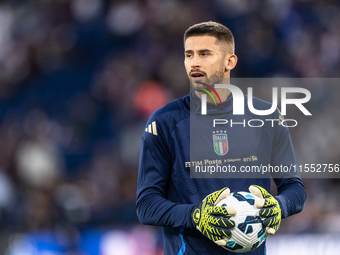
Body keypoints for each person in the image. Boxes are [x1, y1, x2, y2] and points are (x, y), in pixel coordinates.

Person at [136, 21, 306, 255]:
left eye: (204, 54)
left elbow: (295, 189)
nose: (194, 62)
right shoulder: (163, 122)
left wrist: (278, 206)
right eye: (189, 54)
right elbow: (146, 205)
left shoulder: (267, 118)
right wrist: (196, 215)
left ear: (230, 61)